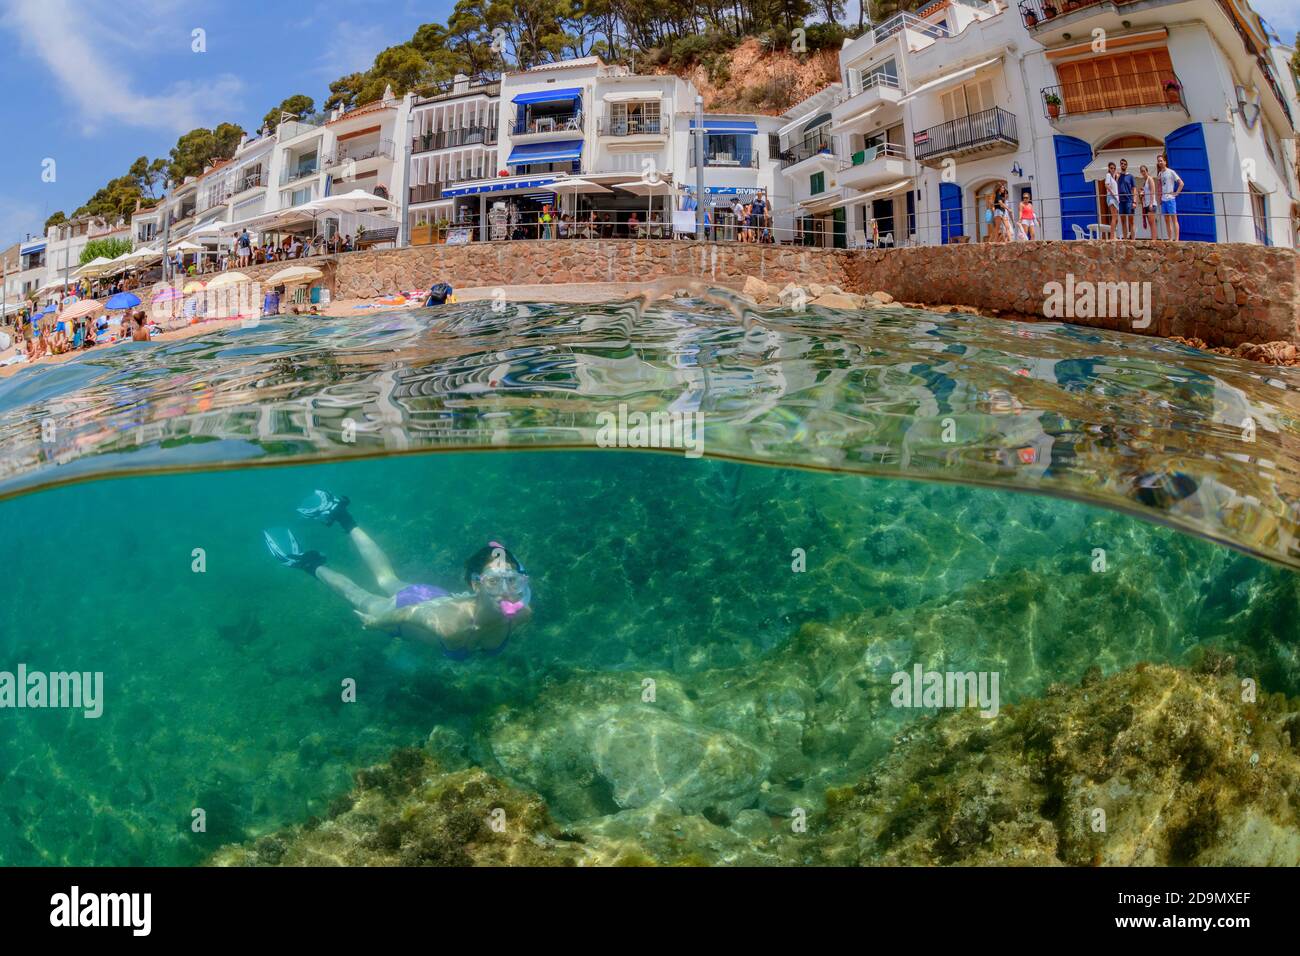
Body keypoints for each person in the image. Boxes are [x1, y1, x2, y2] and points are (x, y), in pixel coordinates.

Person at [263, 491, 532, 659]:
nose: (505, 590)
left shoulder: (522, 614)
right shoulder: (452, 626)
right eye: (494, 582)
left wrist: (479, 596)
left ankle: (342, 516)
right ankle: (306, 563)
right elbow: (405, 614)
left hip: (434, 597)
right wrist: (376, 623)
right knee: (360, 595)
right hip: (406, 612)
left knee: (387, 578)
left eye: (512, 580)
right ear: (477, 585)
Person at [1156, 154, 1184, 241]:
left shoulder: (1171, 172)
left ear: (1165, 162)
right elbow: (1159, 187)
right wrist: (1159, 198)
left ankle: (1177, 239)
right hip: (1164, 199)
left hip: (1170, 199)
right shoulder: (1160, 174)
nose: (1160, 162)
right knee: (1167, 221)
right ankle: (1170, 238)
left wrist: (1176, 193)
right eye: (1158, 161)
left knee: (1174, 219)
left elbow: (1181, 183)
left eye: (1161, 160)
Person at [1116, 158, 1137, 240]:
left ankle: (1133, 240)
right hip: (1121, 201)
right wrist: (1117, 177)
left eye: (1124, 164)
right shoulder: (1118, 176)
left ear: (1127, 165)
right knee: (1123, 222)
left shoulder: (1130, 176)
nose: (1123, 165)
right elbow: (1113, 185)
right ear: (1120, 165)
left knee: (1131, 221)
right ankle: (1125, 239)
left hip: (1129, 200)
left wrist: (1134, 201)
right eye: (1121, 163)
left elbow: (1134, 189)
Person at [1139, 164, 1158, 239]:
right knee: (1150, 223)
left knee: (1152, 222)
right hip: (1146, 204)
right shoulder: (1144, 182)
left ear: (1147, 171)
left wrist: (1150, 204)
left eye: (1144, 171)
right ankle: (1152, 238)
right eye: (1141, 171)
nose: (1143, 173)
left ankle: (1154, 239)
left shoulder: (1150, 179)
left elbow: (1152, 191)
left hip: (1151, 204)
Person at [1103, 162, 1120, 238]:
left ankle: (1113, 235)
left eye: (1114, 168)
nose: (1113, 169)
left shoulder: (1113, 178)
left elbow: (1114, 186)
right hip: (1111, 197)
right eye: (1111, 168)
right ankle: (1112, 237)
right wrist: (1113, 193)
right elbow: (1106, 185)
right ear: (1109, 169)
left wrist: (1117, 178)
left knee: (1116, 219)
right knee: (1114, 217)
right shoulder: (1108, 175)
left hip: (1115, 198)